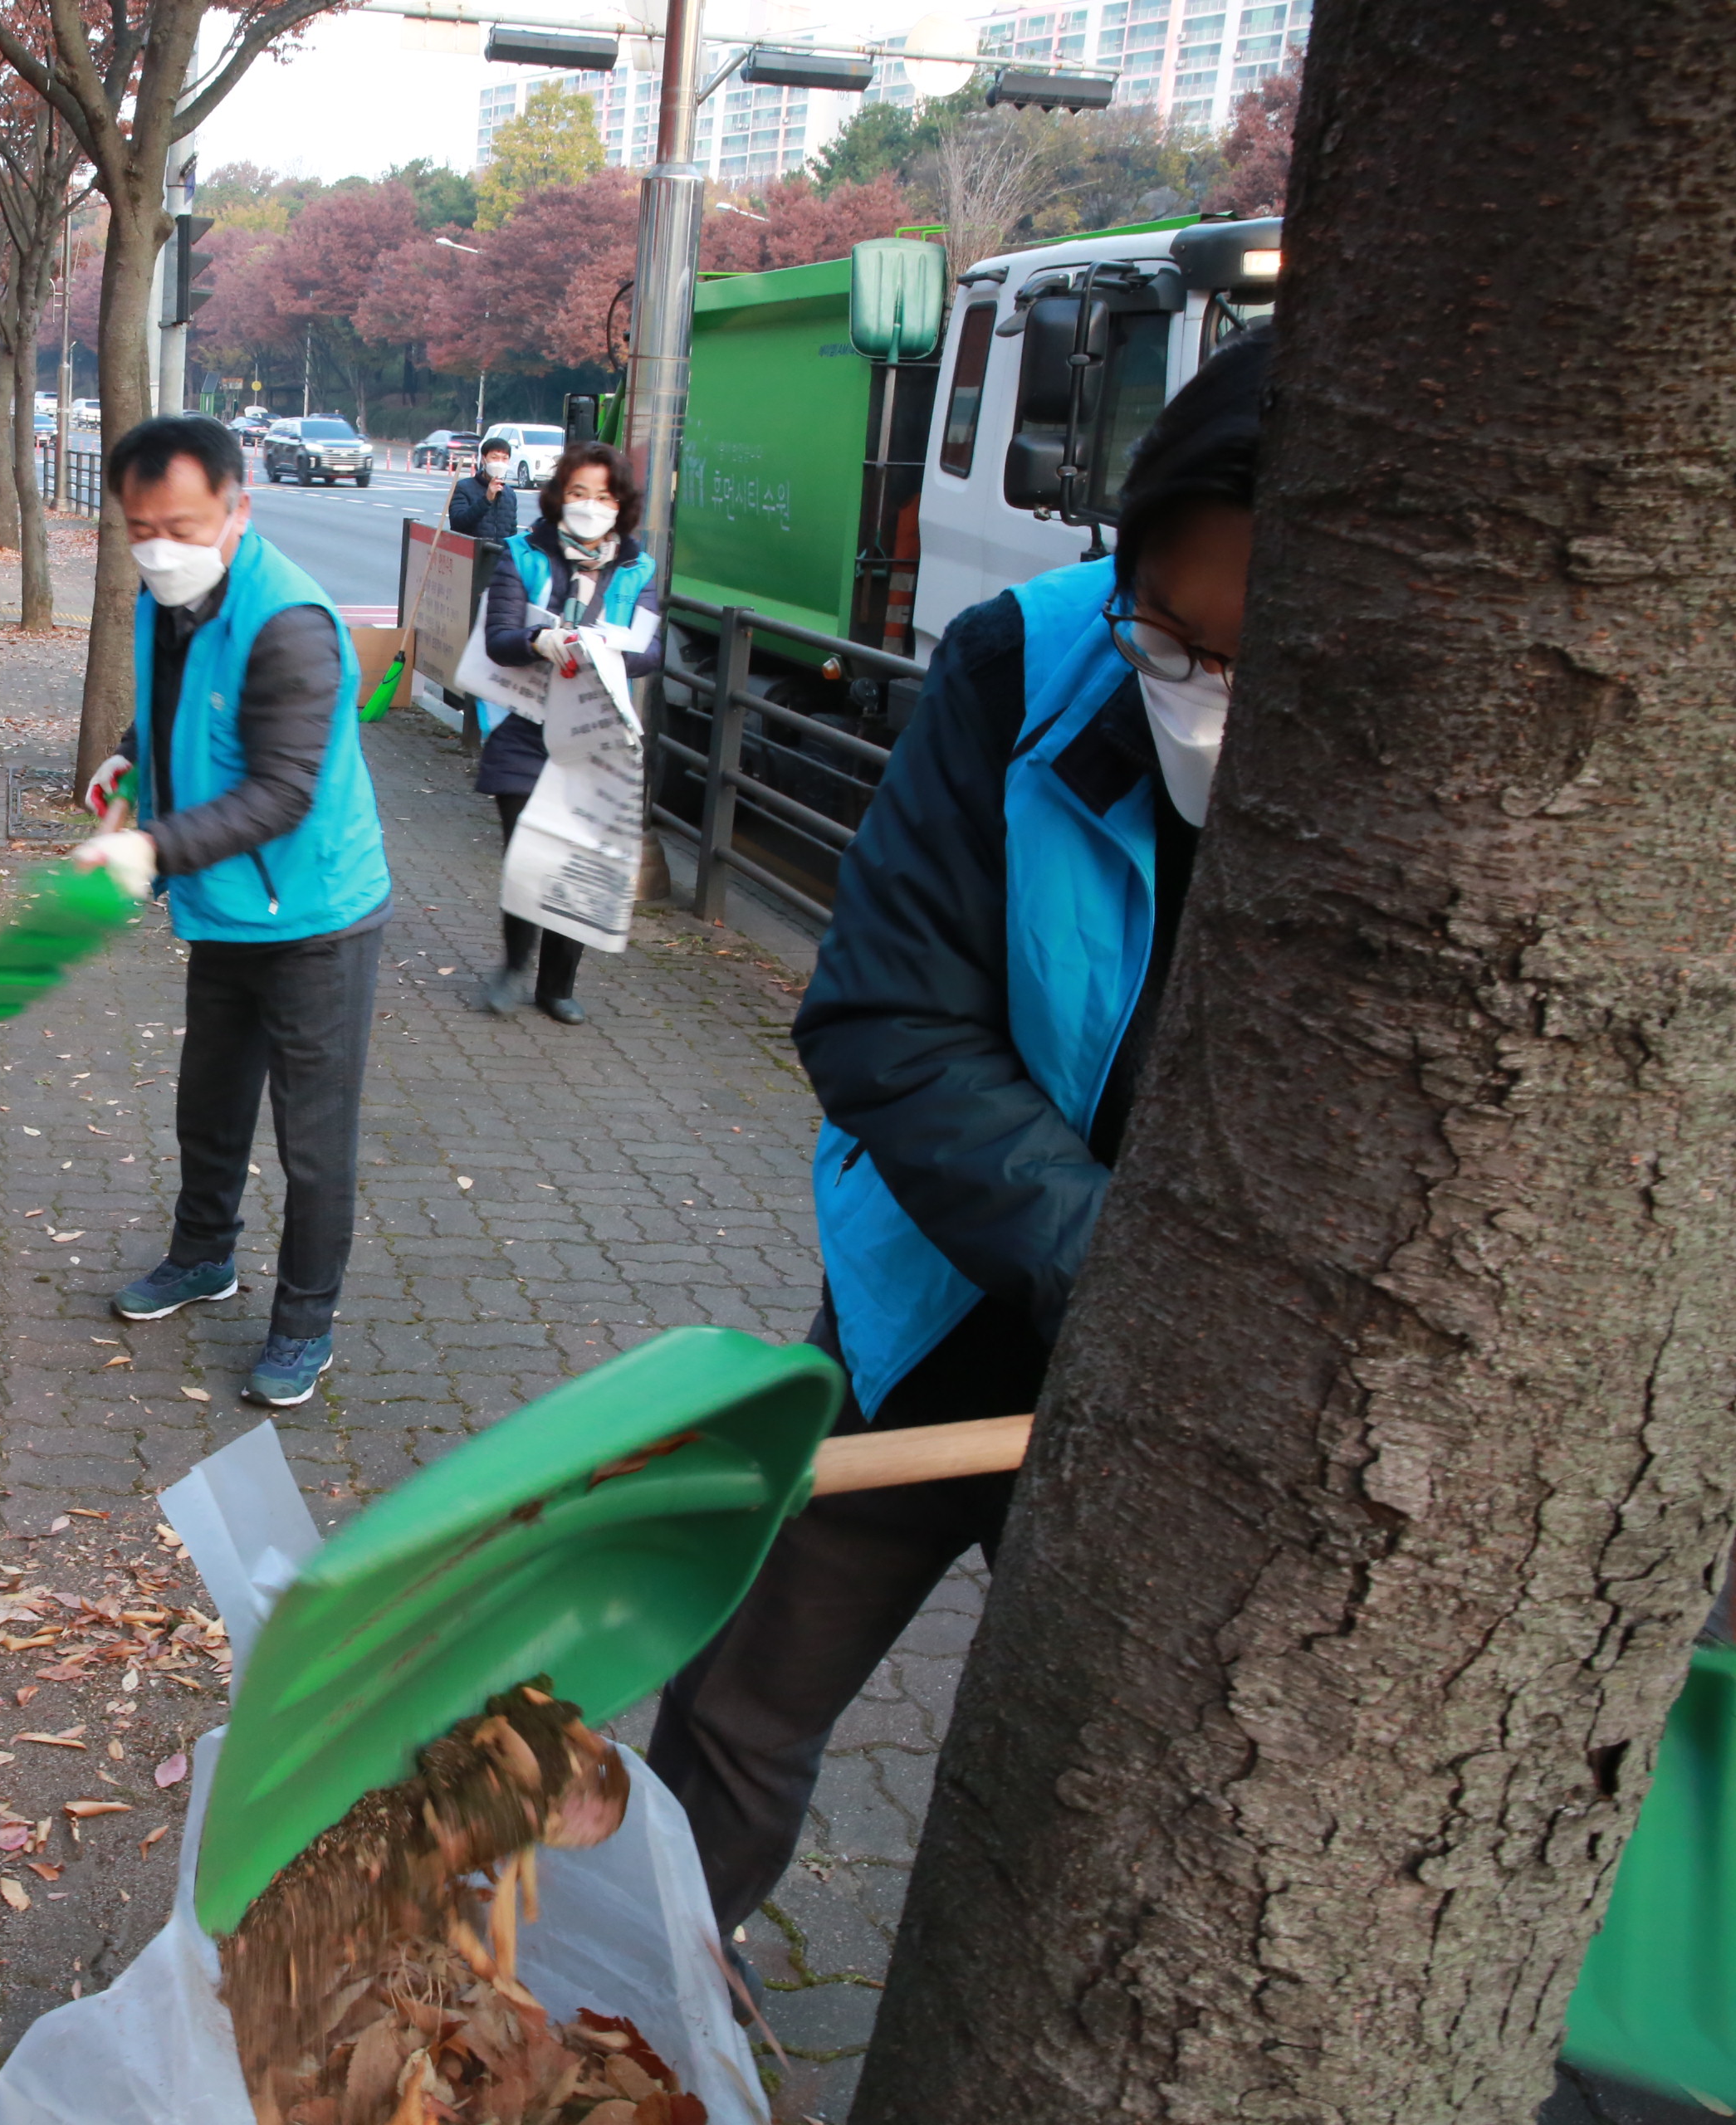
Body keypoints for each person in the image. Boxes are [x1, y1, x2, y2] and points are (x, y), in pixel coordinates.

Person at [646, 325, 1275, 1930]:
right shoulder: (1029, 665)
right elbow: (883, 1017)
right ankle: (635, 2008)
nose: (1210, 703)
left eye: (1271, 672)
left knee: (1125, 1783)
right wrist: (1107, 1275)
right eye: (1179, 643)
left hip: (1248, 1407)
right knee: (732, 1711)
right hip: (954, 1293)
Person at [72, 415, 391, 1409]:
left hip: (316, 917)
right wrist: (135, 759)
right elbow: (174, 697)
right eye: (138, 526)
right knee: (208, 1103)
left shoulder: (289, 622)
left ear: (237, 511)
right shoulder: (167, 594)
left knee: (313, 1138)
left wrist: (151, 846)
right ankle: (203, 1256)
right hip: (225, 910)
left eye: (181, 523)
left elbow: (283, 790)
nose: (158, 546)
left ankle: (305, 1322)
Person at [470, 442, 661, 1024]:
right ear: (558, 497)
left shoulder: (637, 567)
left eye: (603, 496)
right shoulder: (523, 556)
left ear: (621, 505)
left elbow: (650, 649)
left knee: (577, 857)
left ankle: (558, 984)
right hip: (524, 728)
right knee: (528, 852)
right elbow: (498, 638)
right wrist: (538, 641)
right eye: (579, 493)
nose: (590, 506)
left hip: (595, 735)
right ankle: (512, 966)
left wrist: (604, 653)